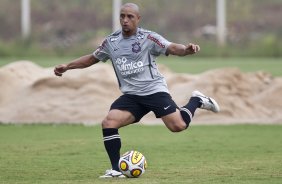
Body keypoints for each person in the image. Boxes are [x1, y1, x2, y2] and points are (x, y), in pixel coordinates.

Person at [54, 3, 220, 178]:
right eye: (122, 16)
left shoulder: (149, 37)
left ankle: (197, 100)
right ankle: (116, 170)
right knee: (109, 122)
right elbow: (91, 58)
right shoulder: (111, 42)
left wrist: (185, 50)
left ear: (138, 19)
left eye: (130, 17)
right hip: (132, 96)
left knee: (178, 126)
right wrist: (67, 66)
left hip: (154, 91)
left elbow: (171, 47)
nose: (125, 20)